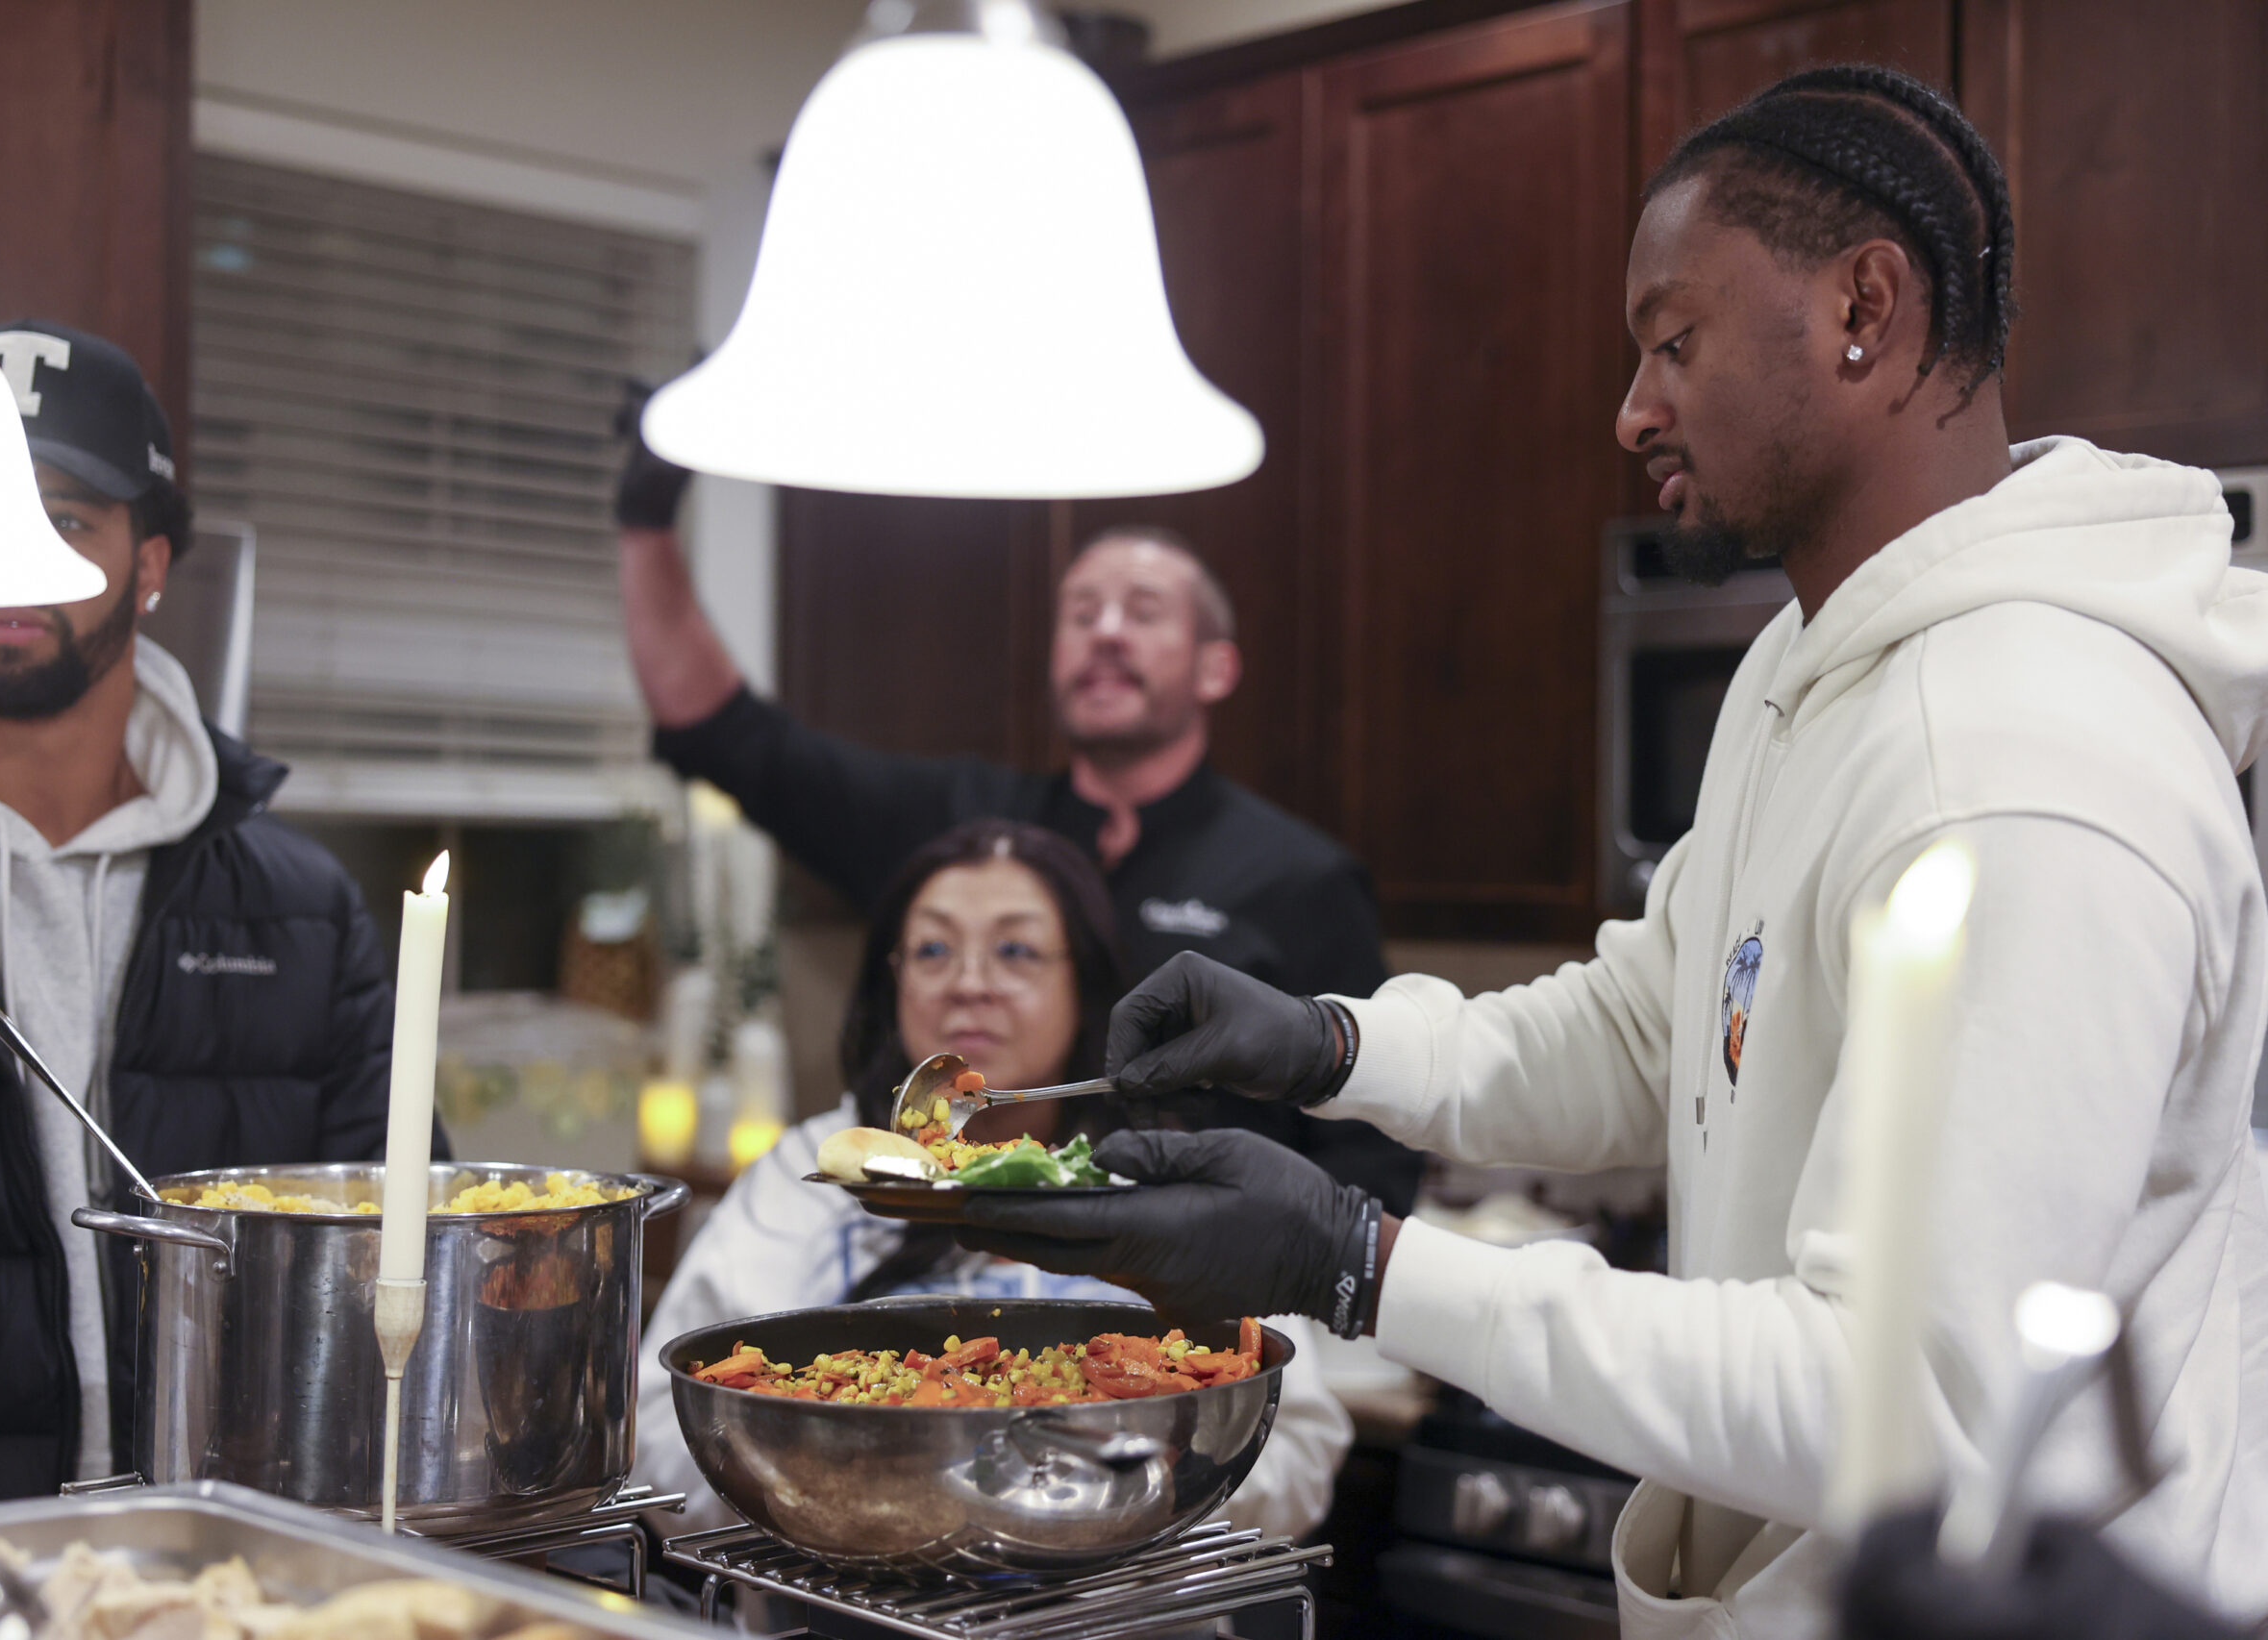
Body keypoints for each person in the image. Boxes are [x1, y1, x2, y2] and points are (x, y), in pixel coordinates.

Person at [950, 66, 2268, 1636]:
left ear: (1864, 307)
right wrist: (1330, 1043)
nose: (1630, 409)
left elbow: (1903, 1398)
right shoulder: (1807, 671)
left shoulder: (2027, 763)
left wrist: (1363, 1263)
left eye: (1672, 340)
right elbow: (1659, 1026)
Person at [0, 320, 399, 1505]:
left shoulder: (302, 910)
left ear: (152, 564)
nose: (6, 565)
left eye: (65, 520)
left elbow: (398, 1264)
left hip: (231, 1551)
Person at [614, 415, 1420, 1213]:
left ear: (1217, 667)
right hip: (970, 1260)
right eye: (1080, 613)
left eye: (1142, 612)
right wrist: (646, 521)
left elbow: (1374, 1156)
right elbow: (727, 738)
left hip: (1227, 1295)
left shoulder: (1301, 879)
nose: (1104, 633)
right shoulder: (968, 835)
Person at [633, 818, 1349, 1539]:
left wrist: (1134, 1493)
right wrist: (832, 1491)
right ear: (896, 977)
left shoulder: (1174, 1175)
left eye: (1016, 950)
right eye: (934, 949)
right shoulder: (809, 1169)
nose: (970, 984)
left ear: (1085, 981)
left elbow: (1299, 1453)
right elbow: (660, 1423)